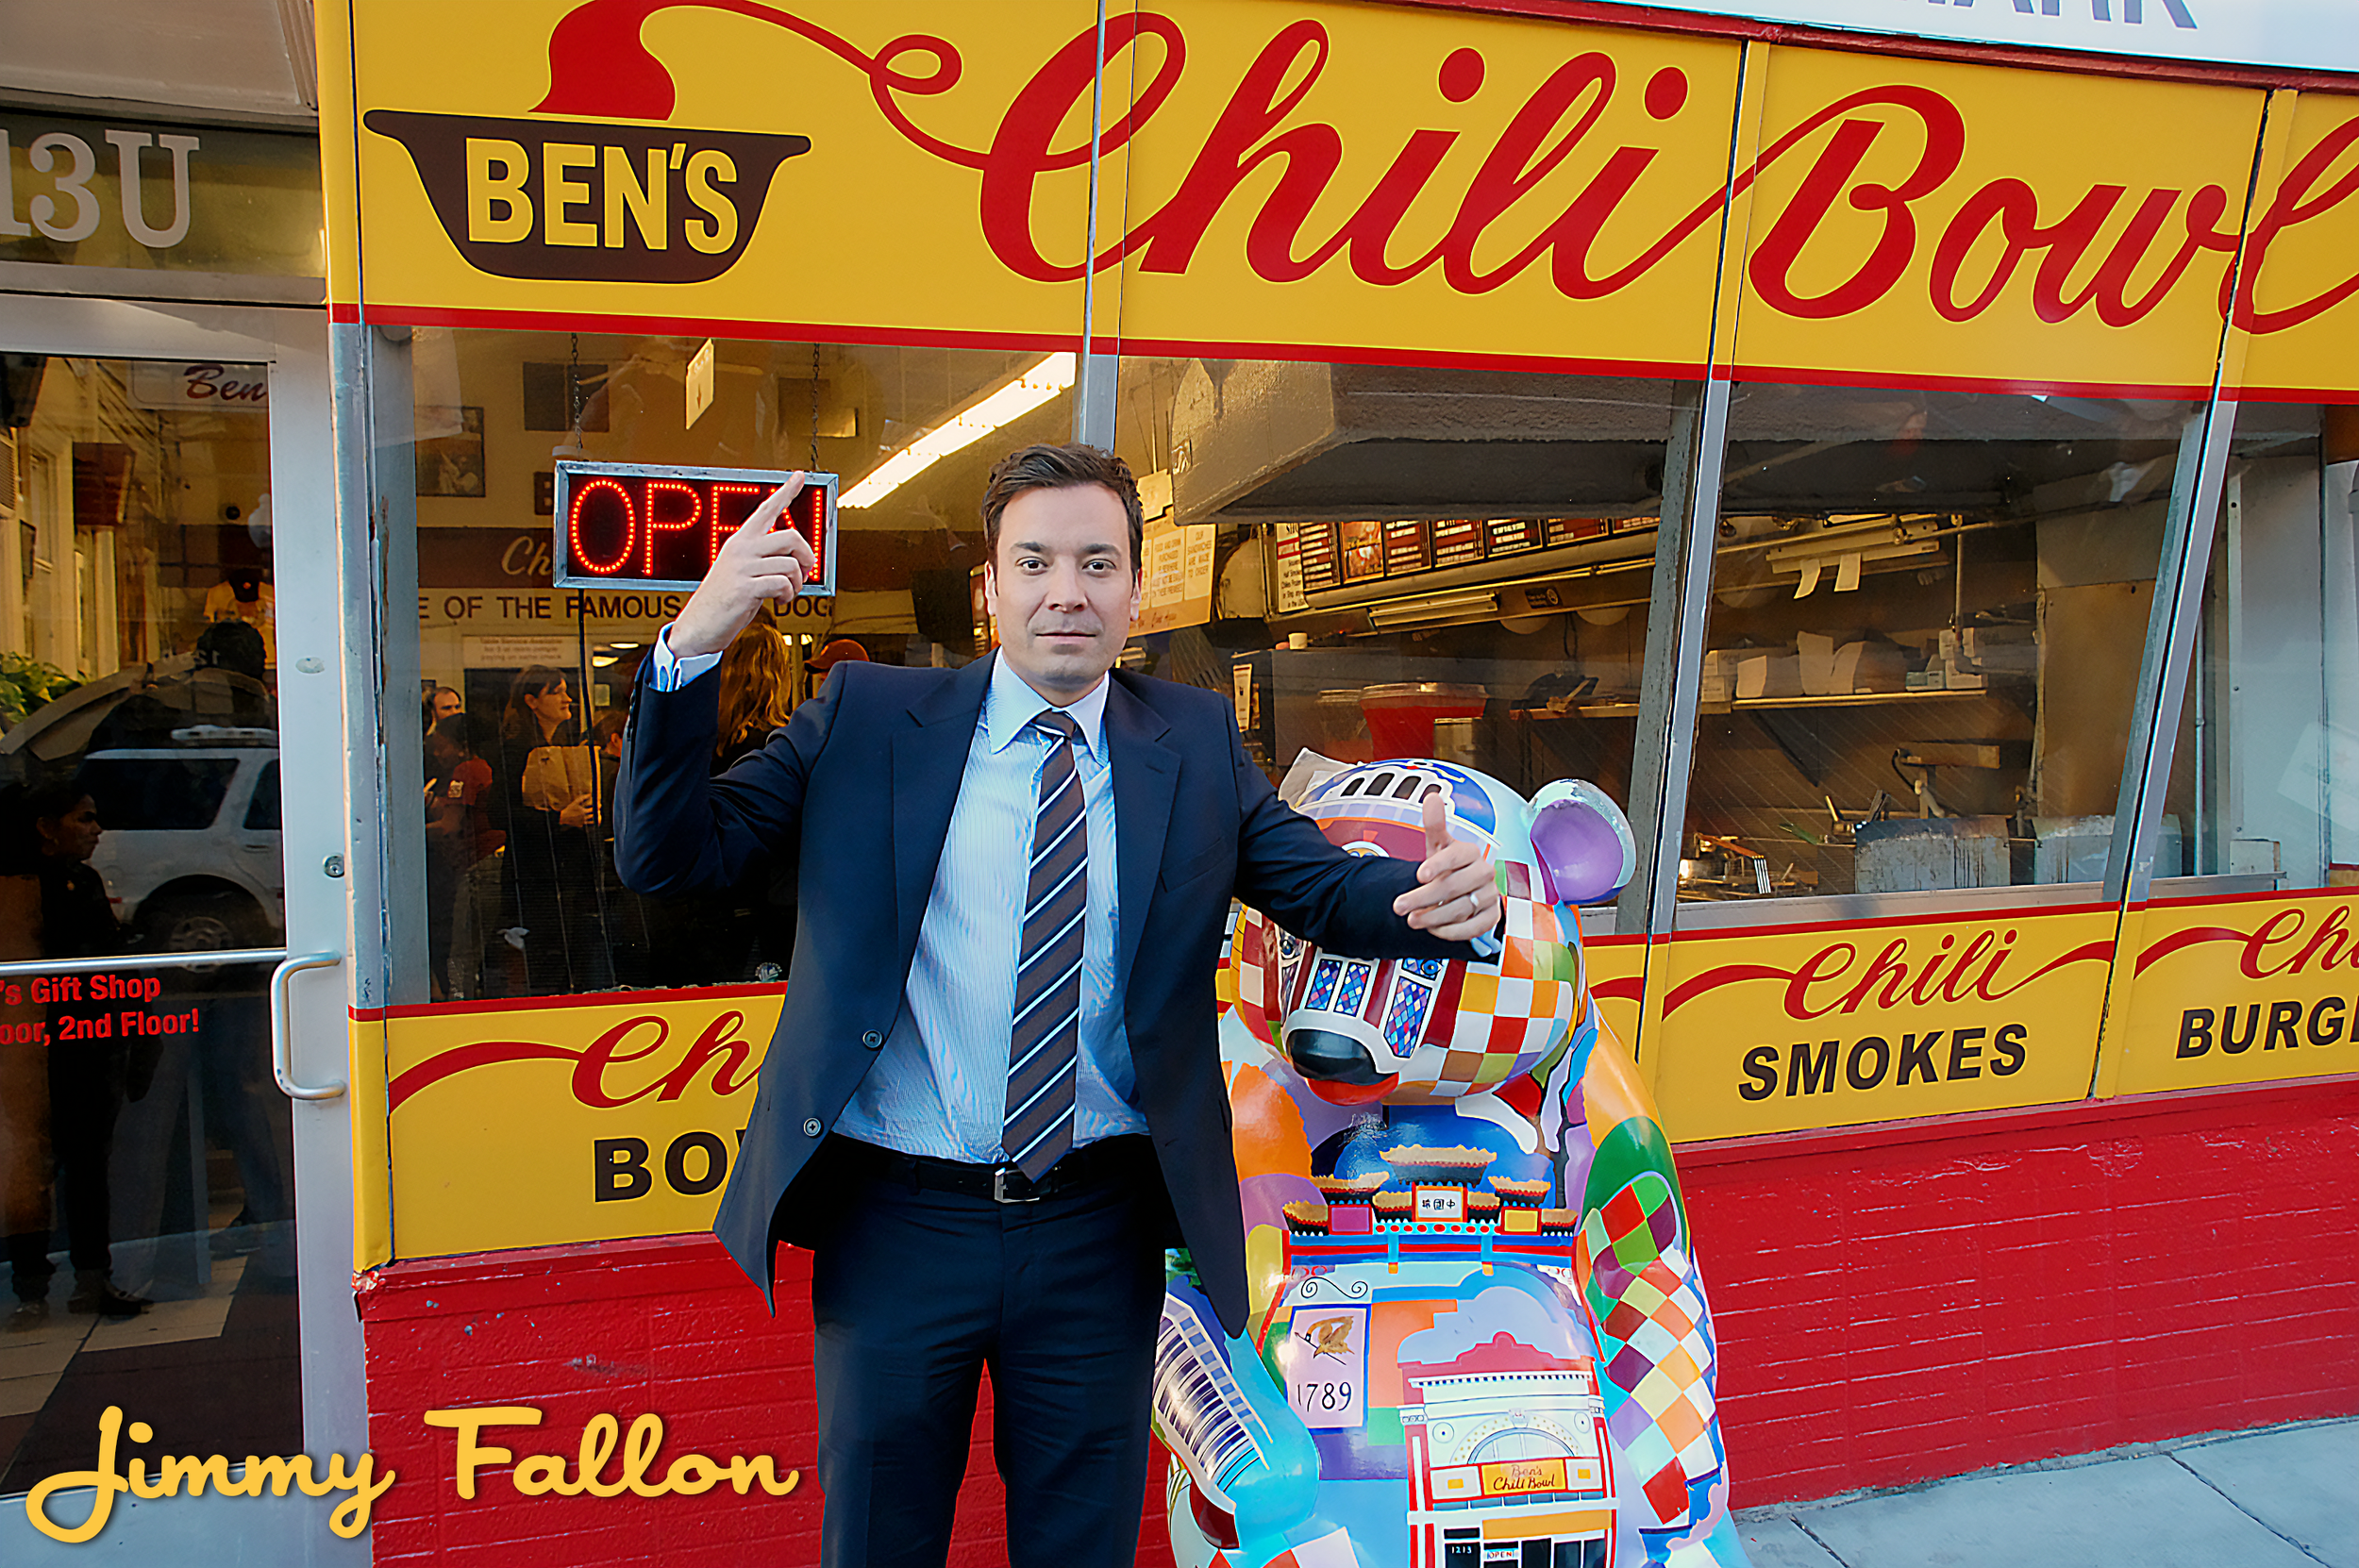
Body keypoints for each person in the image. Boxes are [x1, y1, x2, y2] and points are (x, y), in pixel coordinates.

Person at [614, 443, 1503, 1565]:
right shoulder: (868, 717)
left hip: (1097, 1224)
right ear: (989, 589)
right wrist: (695, 639)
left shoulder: (1186, 738)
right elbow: (668, 857)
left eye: (1097, 562)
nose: (1065, 592)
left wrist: (1434, 900)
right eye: (1032, 562)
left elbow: (1316, 881)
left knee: (1079, 1547)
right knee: (878, 1541)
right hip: (896, 1223)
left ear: (1136, 589)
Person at [1, 781, 146, 1321]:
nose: (95, 830)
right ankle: (33, 1287)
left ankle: (84, 1280)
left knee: (80, 1167)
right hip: (32, 1051)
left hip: (81, 1048)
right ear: (46, 827)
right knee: (34, 1167)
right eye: (83, 819)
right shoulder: (20, 888)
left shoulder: (80, 881)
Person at [490, 667, 608, 993]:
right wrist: (559, 819)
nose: (567, 698)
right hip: (536, 878)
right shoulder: (514, 750)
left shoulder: (569, 744)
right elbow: (499, 813)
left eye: (566, 690)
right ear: (531, 701)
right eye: (555, 691)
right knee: (546, 965)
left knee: (576, 959)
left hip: (573, 874)